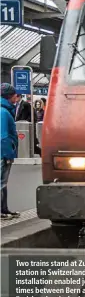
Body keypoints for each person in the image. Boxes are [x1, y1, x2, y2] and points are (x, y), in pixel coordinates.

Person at [0, 83, 20, 219]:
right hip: (3, 153)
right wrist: (7, 154)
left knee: (3, 182)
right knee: (1, 182)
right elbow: (3, 136)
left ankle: (4, 209)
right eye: (15, 96)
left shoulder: (5, 110)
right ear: (10, 96)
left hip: (5, 152)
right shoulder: (3, 112)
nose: (16, 99)